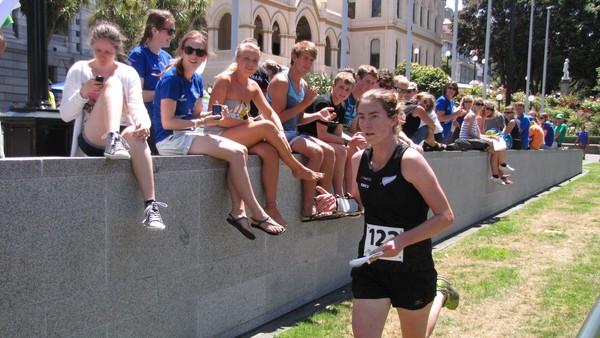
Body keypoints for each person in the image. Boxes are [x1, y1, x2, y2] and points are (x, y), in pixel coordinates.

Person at [314, 89, 459, 338]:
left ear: (394, 119)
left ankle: (438, 296)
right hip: (372, 261)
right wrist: (337, 204)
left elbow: (445, 216)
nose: (365, 124)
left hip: (412, 264)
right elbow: (360, 203)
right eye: (361, 116)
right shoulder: (358, 158)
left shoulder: (410, 160)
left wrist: (400, 241)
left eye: (374, 116)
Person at [152, 30, 293, 239]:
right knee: (236, 153)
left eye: (199, 52)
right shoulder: (172, 79)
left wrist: (213, 116)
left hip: (189, 134)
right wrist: (203, 121)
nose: (194, 55)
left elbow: (198, 114)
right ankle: (257, 212)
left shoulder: (197, 80)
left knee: (240, 151)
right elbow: (167, 122)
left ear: (205, 56)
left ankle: (238, 211)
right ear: (181, 51)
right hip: (170, 139)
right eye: (190, 50)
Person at [60, 22, 167, 231]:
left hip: (123, 135)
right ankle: (112, 138)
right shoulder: (79, 70)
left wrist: (144, 125)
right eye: (98, 50)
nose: (102, 56)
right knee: (113, 83)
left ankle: (151, 206)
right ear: (92, 47)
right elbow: (65, 116)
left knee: (137, 135)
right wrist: (83, 93)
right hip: (91, 138)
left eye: (108, 52)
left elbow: (137, 107)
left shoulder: (128, 72)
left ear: (116, 51)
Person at [208, 38, 323, 227]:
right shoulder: (224, 80)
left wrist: (278, 133)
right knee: (265, 127)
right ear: (237, 59)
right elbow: (214, 117)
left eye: (255, 60)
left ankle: (271, 206)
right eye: (246, 59)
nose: (251, 64)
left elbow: (269, 113)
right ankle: (296, 168)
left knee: (270, 152)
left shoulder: (252, 86)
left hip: (239, 134)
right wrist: (250, 123)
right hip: (218, 134)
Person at [267, 40, 338, 221]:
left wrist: (317, 115)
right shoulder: (281, 81)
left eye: (311, 60)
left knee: (330, 151)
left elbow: (297, 119)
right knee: (316, 152)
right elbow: (277, 119)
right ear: (294, 57)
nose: (307, 64)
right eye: (304, 58)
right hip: (276, 134)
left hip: (292, 133)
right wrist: (306, 103)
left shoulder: (303, 85)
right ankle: (308, 207)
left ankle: (324, 202)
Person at [298, 71, 355, 196]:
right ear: (333, 86)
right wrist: (347, 141)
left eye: (347, 90)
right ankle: (336, 194)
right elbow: (322, 134)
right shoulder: (323, 102)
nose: (343, 92)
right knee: (341, 150)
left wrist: (347, 143)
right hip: (306, 135)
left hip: (320, 139)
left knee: (346, 149)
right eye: (341, 87)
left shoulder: (342, 105)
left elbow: (338, 132)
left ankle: (343, 193)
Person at [128, 9, 176, 154]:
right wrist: (164, 95)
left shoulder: (167, 58)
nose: (172, 35)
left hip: (165, 124)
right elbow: (137, 95)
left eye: (173, 31)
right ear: (154, 30)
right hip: (145, 126)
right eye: (169, 31)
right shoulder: (138, 55)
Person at [460, 101, 514, 185]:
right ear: (473, 105)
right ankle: (501, 169)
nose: (487, 110)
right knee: (496, 145)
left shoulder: (478, 116)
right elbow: (471, 133)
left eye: (491, 109)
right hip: (468, 140)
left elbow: (479, 134)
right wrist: (488, 139)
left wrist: (490, 137)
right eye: (478, 104)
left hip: (474, 139)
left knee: (497, 144)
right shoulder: (474, 116)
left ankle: (498, 173)